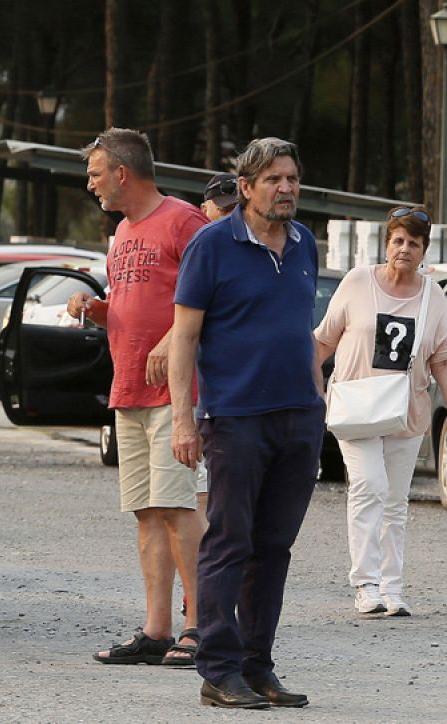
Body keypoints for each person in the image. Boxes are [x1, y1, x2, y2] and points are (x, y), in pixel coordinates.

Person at [169, 137, 322, 710]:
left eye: (292, 178)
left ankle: (258, 666)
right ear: (246, 188)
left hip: (298, 417)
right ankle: (218, 669)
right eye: (274, 179)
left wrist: (318, 394)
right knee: (229, 544)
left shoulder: (304, 241)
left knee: (274, 547)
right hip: (234, 419)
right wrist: (184, 421)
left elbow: (300, 326)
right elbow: (184, 338)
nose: (286, 188)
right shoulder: (211, 245)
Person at [67, 129, 208, 668]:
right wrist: (97, 308)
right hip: (128, 389)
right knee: (147, 512)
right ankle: (157, 630)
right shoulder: (123, 231)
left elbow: (212, 298)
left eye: (96, 173)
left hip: (173, 394)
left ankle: (202, 626)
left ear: (123, 173)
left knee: (178, 508)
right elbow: (138, 303)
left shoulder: (182, 221)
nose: (91, 184)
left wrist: (173, 340)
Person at [314, 207, 447, 618]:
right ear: (387, 244)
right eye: (398, 241)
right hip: (357, 405)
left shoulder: (434, 295)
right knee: (368, 486)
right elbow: (322, 341)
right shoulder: (357, 282)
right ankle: (365, 585)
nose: (404, 249)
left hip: (407, 409)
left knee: (395, 499)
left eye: (414, 243)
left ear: (424, 252)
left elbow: (440, 360)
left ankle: (392, 588)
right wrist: (313, 389)